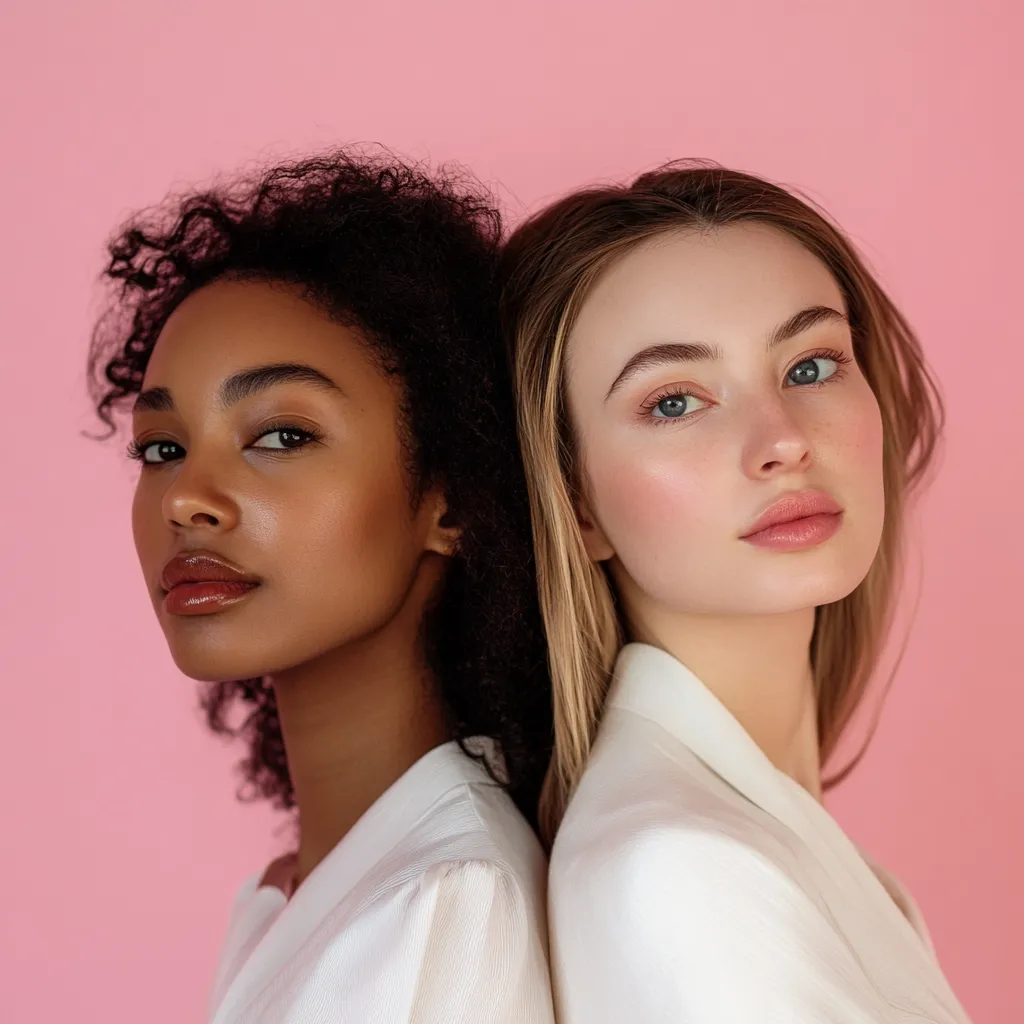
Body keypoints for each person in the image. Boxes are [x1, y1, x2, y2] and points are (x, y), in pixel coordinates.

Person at [88, 149, 555, 1024]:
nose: (185, 496)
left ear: (452, 497)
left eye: (281, 436)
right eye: (162, 447)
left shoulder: (452, 904)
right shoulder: (292, 897)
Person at [500, 162, 972, 1022]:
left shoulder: (761, 846)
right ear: (575, 505)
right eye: (675, 401)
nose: (783, 441)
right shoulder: (682, 874)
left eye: (811, 365)